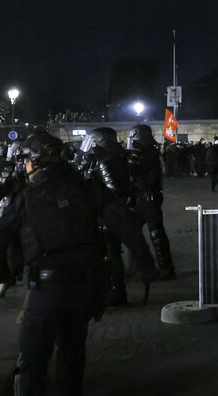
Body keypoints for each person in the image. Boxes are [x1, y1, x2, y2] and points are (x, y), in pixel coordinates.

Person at [0, 132, 109, 395]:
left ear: (36, 161)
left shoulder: (27, 194)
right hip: (82, 283)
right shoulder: (80, 186)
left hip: (45, 289)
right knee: (72, 355)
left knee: (33, 360)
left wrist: (0, 273)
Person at [78, 127, 159, 305]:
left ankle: (117, 292)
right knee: (112, 253)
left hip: (107, 213)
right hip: (113, 211)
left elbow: (112, 187)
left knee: (110, 254)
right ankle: (117, 289)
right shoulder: (118, 155)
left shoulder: (104, 158)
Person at [126, 125, 176, 279]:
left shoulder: (140, 152)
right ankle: (156, 267)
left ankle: (160, 268)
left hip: (145, 197)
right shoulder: (151, 151)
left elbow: (130, 171)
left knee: (153, 233)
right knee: (146, 232)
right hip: (149, 196)